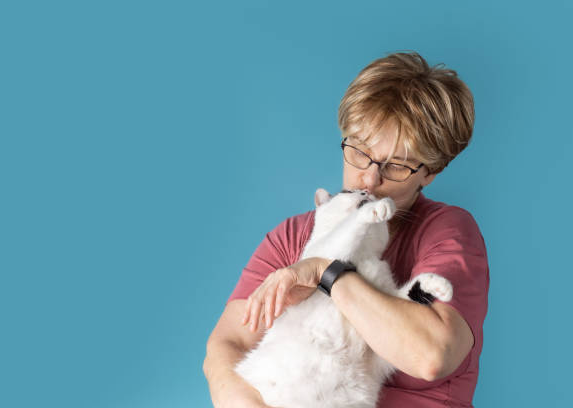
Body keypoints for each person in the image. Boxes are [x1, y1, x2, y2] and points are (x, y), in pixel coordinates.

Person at [203, 51, 489, 408]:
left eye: (396, 166)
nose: (369, 180)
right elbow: (226, 347)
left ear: (431, 172)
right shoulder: (293, 236)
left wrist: (327, 271)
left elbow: (430, 356)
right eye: (359, 151)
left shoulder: (447, 232)